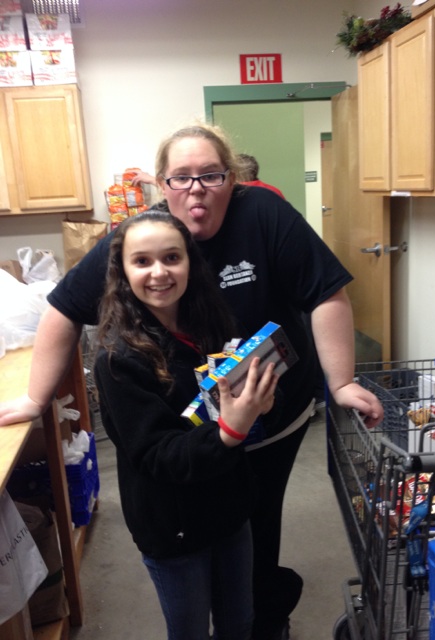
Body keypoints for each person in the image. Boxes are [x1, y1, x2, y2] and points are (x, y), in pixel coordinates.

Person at [0, 122, 383, 640]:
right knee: (197, 523)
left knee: (253, 526)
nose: (196, 189)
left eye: (211, 175)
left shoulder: (263, 214)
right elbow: (64, 308)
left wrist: (340, 383)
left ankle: (261, 617)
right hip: (197, 429)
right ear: (161, 184)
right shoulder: (141, 241)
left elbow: (326, 292)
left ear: (233, 179)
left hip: (275, 413)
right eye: (181, 177)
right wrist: (34, 397)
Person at [94, 209, 278, 639]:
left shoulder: (212, 326)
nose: (159, 272)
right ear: (123, 272)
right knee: (190, 631)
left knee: (239, 623)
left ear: (190, 263)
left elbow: (241, 391)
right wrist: (230, 431)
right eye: (142, 261)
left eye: (172, 258)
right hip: (172, 527)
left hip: (230, 510)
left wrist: (263, 402)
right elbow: (157, 454)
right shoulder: (119, 360)